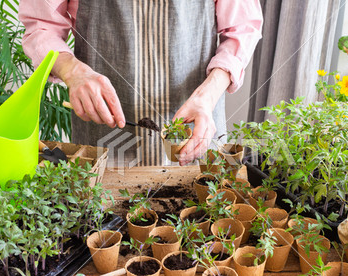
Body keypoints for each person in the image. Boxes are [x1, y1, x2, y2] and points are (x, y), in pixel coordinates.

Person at [19, 0, 263, 167]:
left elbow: (242, 29)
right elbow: (42, 26)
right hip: (104, 141)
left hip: (197, 127)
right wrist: (72, 71)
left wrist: (207, 96)